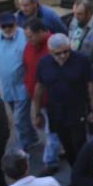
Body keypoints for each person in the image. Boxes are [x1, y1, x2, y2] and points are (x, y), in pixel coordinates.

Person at [33, 33, 90, 166]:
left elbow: (90, 85)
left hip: (76, 109)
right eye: (58, 53)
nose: (63, 55)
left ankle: (86, 170)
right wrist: (37, 113)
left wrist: (92, 109)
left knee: (79, 143)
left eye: (66, 51)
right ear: (50, 51)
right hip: (55, 111)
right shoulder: (43, 63)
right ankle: (75, 171)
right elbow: (39, 88)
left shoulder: (81, 60)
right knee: (66, 142)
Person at [23, 19, 60, 175]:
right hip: (38, 98)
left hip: (52, 99)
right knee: (50, 130)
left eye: (31, 36)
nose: (28, 39)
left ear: (40, 32)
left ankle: (50, 161)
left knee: (51, 131)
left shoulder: (53, 47)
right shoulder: (30, 46)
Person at [0, 13, 37, 151]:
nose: (7, 29)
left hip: (22, 86)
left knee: (18, 119)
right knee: (21, 118)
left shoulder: (24, 36)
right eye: (4, 26)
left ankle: (22, 148)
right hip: (6, 87)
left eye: (10, 25)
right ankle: (32, 138)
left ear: (15, 24)